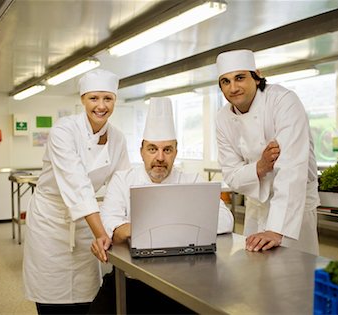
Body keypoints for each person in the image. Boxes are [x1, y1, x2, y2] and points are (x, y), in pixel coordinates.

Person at [88, 97, 234, 314]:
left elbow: (225, 220)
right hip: (131, 281)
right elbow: (110, 222)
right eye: (152, 149)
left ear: (176, 151)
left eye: (167, 150)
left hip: (183, 284)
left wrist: (140, 228)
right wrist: (185, 225)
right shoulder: (123, 179)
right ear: (142, 150)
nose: (160, 157)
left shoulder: (191, 181)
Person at [23, 68, 131, 315]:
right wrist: (102, 232)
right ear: (82, 99)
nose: (101, 106)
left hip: (86, 224)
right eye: (94, 98)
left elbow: (122, 184)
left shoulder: (118, 138)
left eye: (108, 98)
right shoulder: (64, 130)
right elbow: (77, 185)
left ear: (115, 100)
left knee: (87, 293)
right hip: (51, 221)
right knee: (52, 294)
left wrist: (122, 226)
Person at [215, 49, 319, 256]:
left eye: (240, 78)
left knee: (294, 275)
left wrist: (276, 229)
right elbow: (231, 175)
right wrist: (260, 167)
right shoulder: (222, 118)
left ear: (257, 76)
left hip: (293, 209)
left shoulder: (283, 101)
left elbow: (291, 167)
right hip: (257, 204)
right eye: (225, 82)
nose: (233, 87)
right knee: (254, 278)